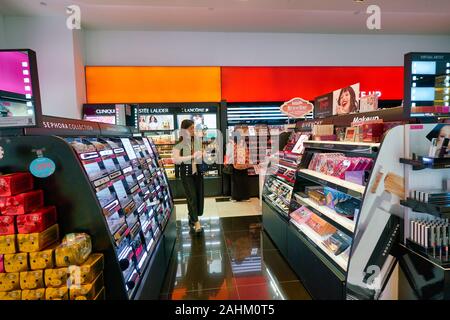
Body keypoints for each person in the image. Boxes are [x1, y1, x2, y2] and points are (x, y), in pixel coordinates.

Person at [172, 119, 205, 234]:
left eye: (193, 128)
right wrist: (191, 156)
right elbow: (175, 160)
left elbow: (199, 155)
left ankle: (192, 217)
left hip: (197, 173)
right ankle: (196, 223)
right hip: (186, 174)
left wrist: (202, 154)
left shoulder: (195, 141)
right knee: (192, 198)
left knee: (197, 197)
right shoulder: (178, 144)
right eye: (191, 128)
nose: (193, 130)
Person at [230, 129, 251, 202]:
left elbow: (231, 155)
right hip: (244, 165)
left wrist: (232, 162)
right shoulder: (243, 143)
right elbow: (247, 154)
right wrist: (247, 163)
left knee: (236, 182)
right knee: (244, 181)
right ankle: (245, 197)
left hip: (236, 166)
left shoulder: (232, 144)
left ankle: (235, 197)